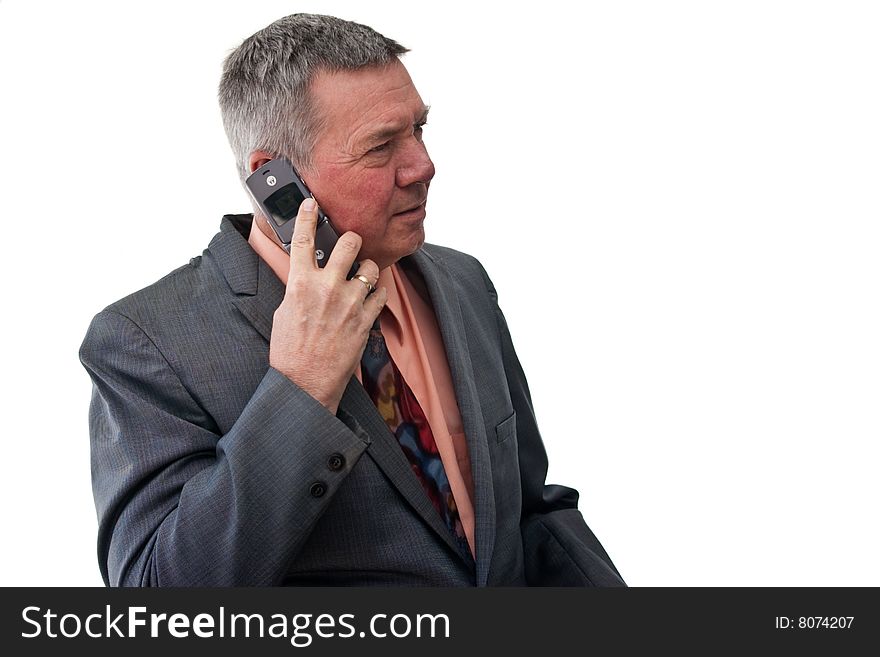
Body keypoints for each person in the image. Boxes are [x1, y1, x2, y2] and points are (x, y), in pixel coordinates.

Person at [80, 13, 625, 587]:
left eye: (418, 129)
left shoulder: (462, 283)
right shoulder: (147, 342)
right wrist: (301, 388)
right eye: (380, 146)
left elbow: (527, 512)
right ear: (276, 178)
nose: (423, 165)